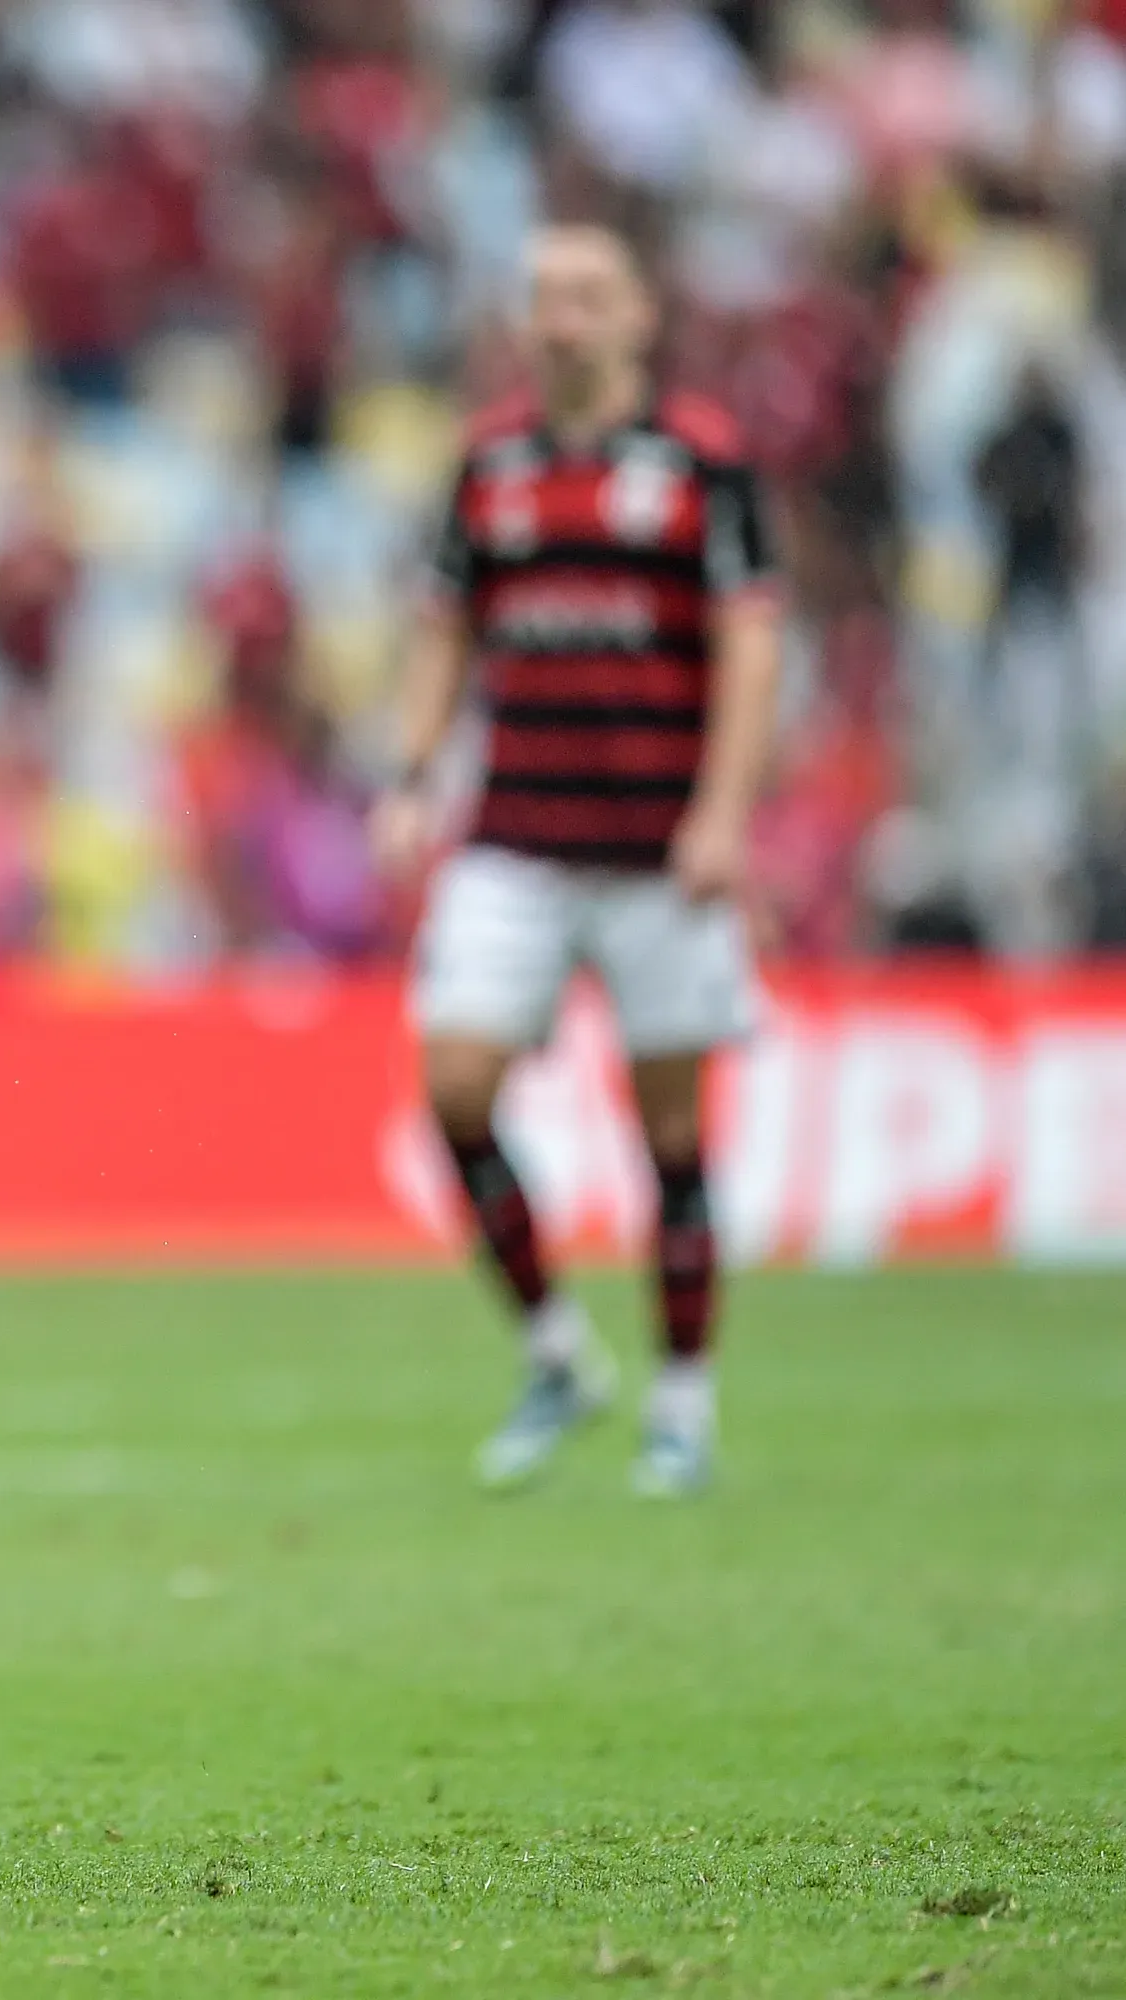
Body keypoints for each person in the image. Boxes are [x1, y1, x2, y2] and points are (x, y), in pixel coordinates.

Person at [370, 221, 782, 1500]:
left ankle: (683, 1400)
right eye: (546, 297)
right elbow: (445, 629)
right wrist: (412, 768)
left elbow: (753, 647)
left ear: (638, 317)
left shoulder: (701, 462)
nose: (563, 320)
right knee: (454, 1086)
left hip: (659, 845)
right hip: (518, 835)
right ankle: (556, 1348)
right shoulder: (489, 465)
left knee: (670, 1131)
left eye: (589, 297)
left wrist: (722, 813)